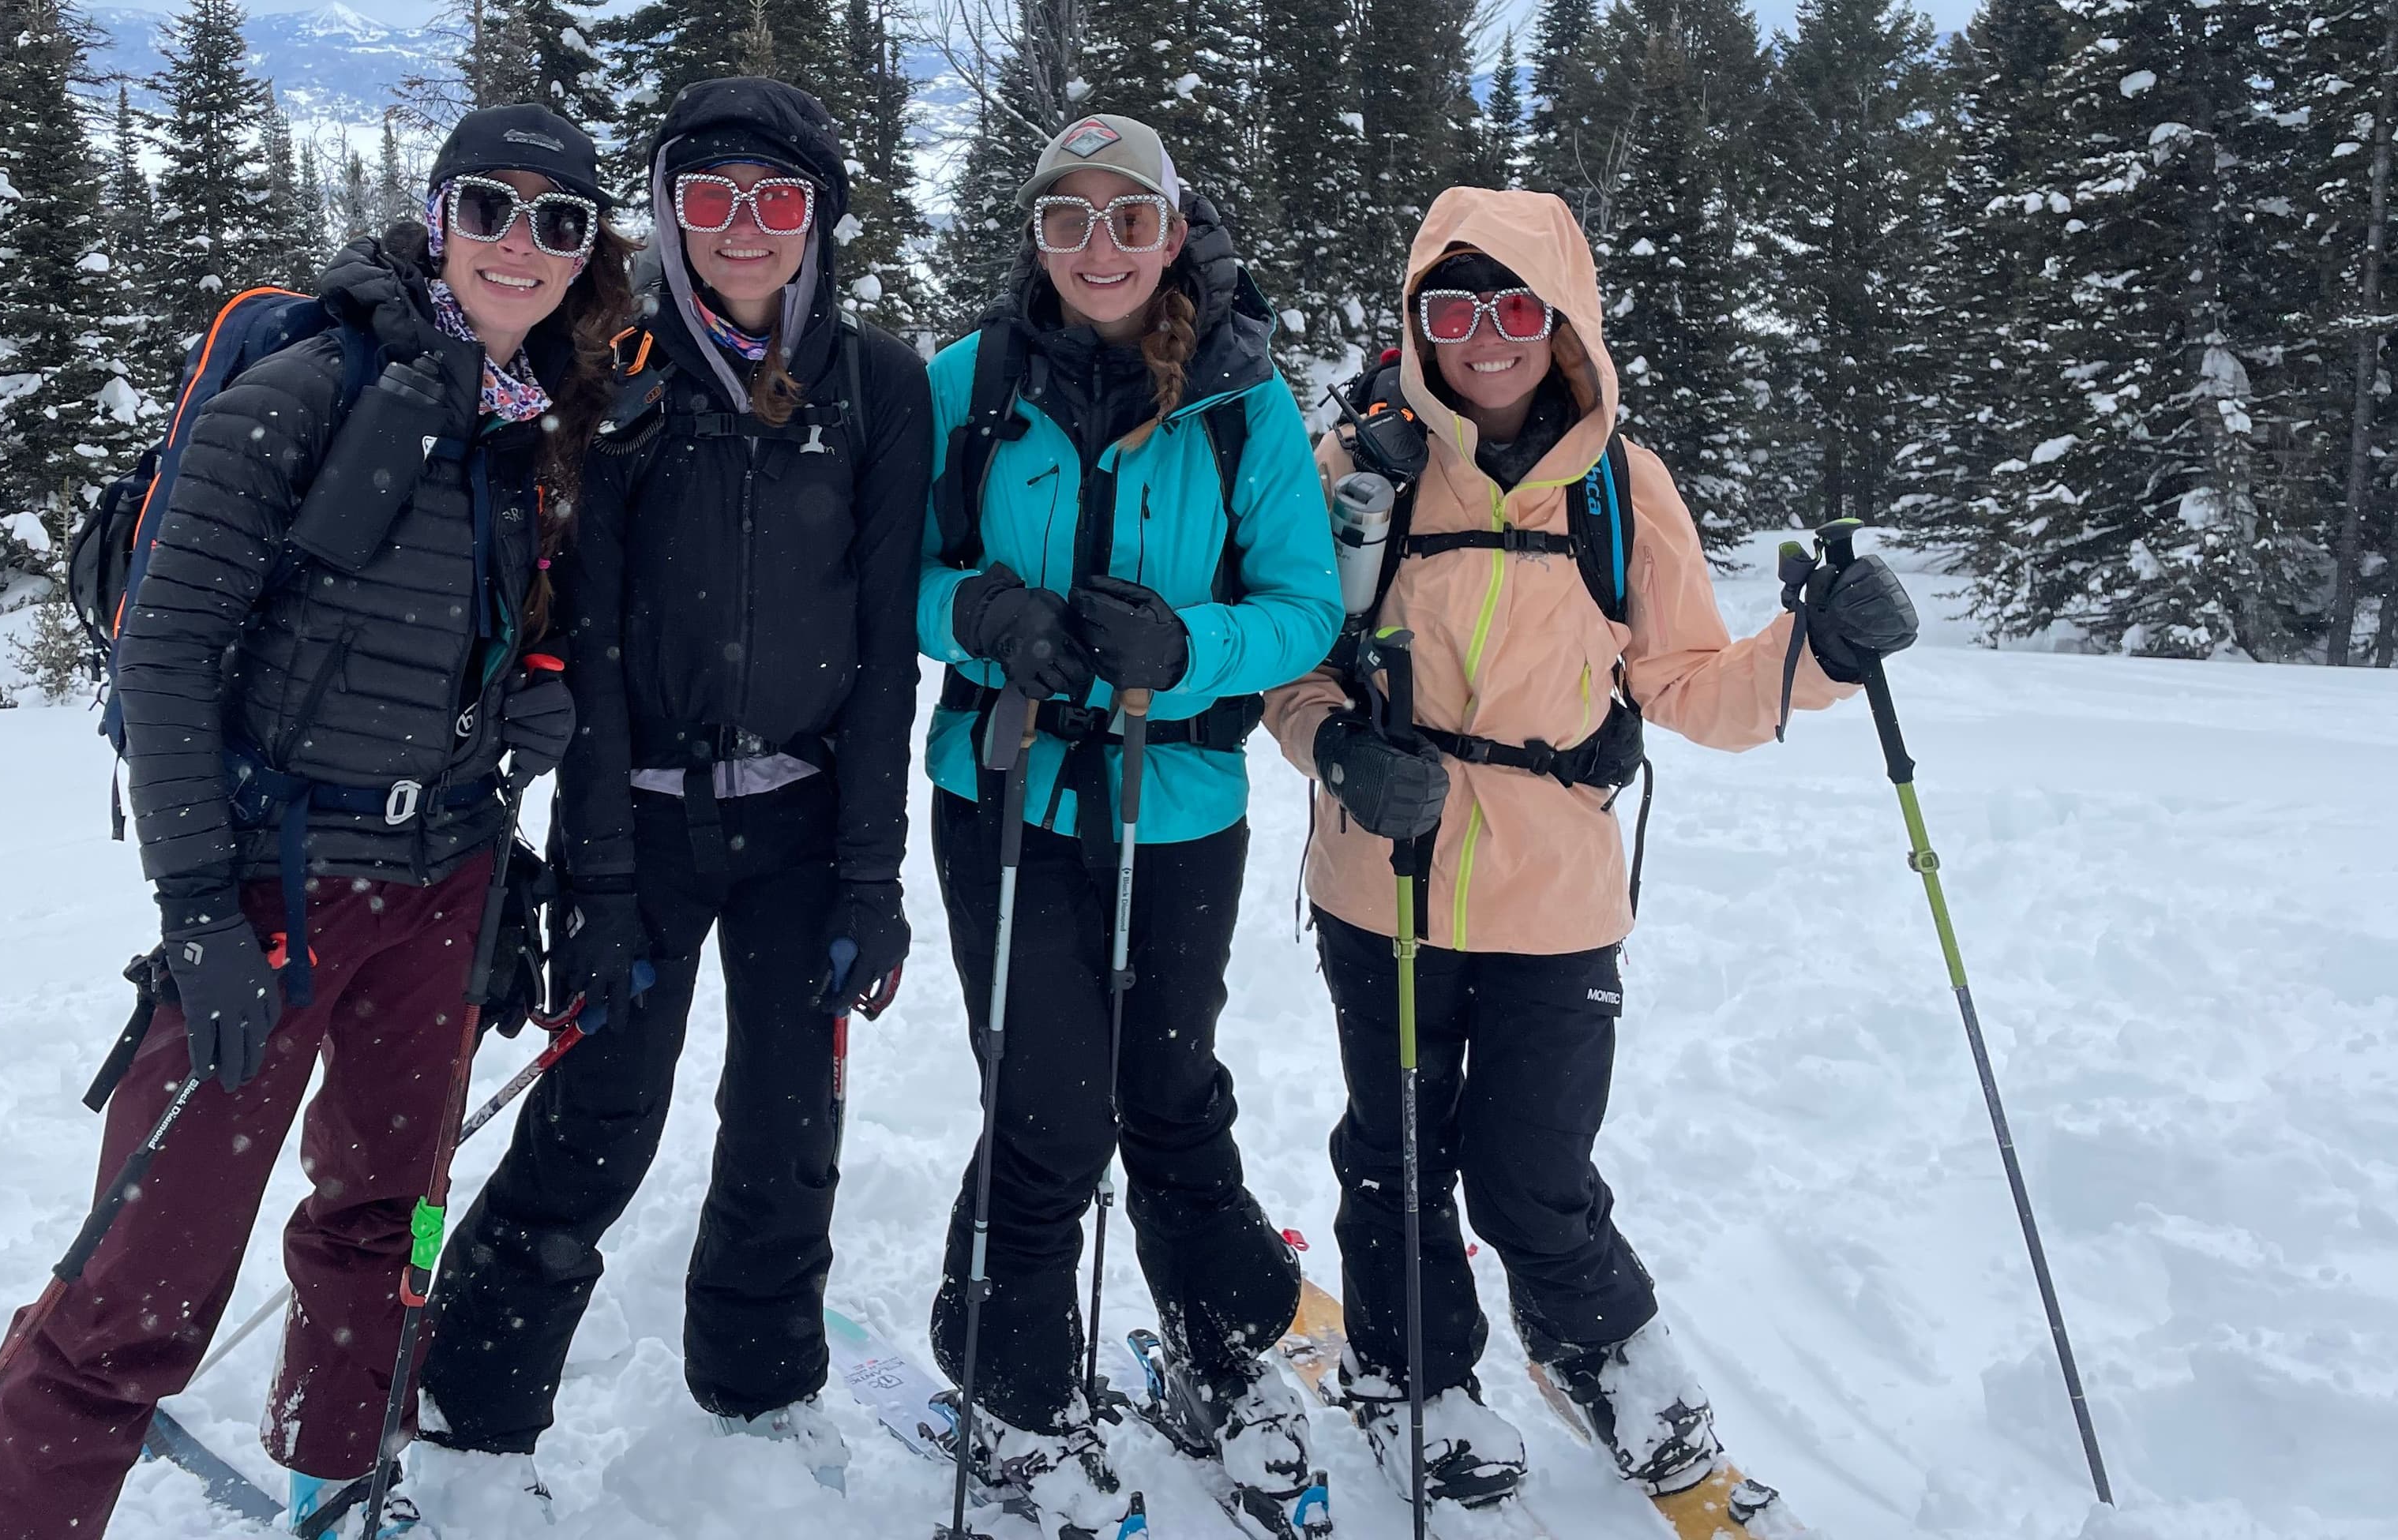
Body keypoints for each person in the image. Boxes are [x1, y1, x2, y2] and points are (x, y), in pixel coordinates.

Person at [0, 103, 629, 1540]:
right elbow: (167, 655)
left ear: (585, 256)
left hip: (446, 881)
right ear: (437, 219)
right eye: (489, 208)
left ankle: (340, 1474)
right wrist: (198, 913)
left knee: (392, 1214)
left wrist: (526, 709)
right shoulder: (309, 390)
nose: (520, 244)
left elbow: (479, 636)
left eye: (558, 222)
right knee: (146, 1270)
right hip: (277, 887)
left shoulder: (539, 427)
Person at [1263, 186, 1919, 1532]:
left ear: (1563, 322)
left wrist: (1825, 652)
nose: (1486, 337)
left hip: (1557, 893)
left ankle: (1607, 1359)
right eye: (1454, 308)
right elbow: (1291, 663)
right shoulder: (1358, 465)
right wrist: (1337, 751)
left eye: (1516, 307)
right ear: (1418, 321)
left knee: (1535, 1172)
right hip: (1381, 878)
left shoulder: (1622, 484)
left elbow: (1691, 683)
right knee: (1393, 1150)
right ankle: (1410, 1376)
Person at [411, 77, 931, 1523]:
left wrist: (870, 875)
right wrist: (599, 881)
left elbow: (885, 651)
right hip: (638, 821)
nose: (743, 227)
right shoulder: (618, 374)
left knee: (788, 1127)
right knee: (598, 1118)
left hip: (803, 823)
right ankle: (471, 1419)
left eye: (777, 198)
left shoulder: (880, 387)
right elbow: (588, 647)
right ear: (667, 214)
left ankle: (757, 1397)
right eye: (709, 197)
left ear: (821, 217)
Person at [918, 113, 1345, 1538]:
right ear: (1035, 235)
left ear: (1173, 231)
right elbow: (898, 572)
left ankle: (1221, 1350)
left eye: (1128, 218)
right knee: (1049, 1102)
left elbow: (1304, 609)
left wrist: (1191, 648)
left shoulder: (1243, 401)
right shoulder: (971, 382)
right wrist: (981, 613)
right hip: (1006, 792)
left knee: (1168, 1090)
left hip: (1181, 805)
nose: (1097, 248)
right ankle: (1014, 1387)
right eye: (1067, 218)